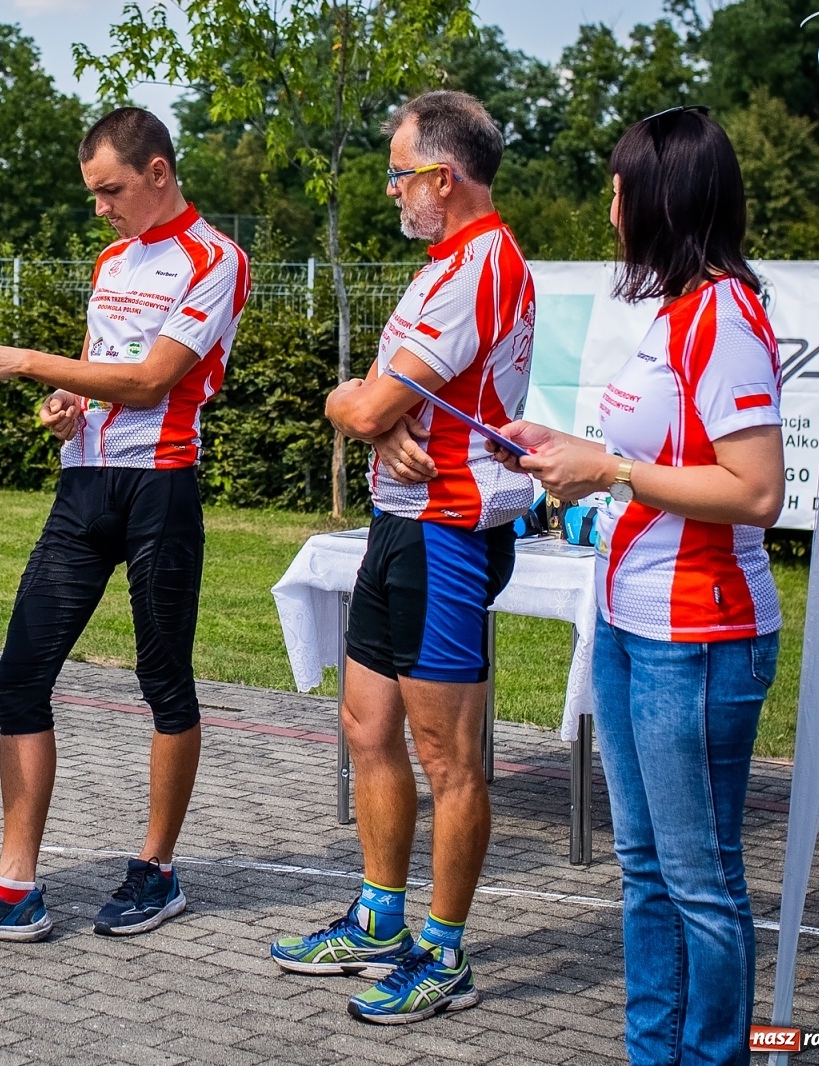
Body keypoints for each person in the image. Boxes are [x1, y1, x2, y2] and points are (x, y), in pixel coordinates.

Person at [0, 107, 249, 942]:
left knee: (163, 679)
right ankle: (15, 888)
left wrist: (23, 362)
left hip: (160, 487)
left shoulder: (217, 259)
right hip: (84, 486)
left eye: (111, 191)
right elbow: (104, 375)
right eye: (92, 193)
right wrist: (67, 402)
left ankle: (156, 871)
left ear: (158, 173)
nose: (100, 208)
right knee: (17, 675)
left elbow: (152, 380)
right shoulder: (110, 259)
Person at [488, 107, 784, 1065]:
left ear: (662, 197)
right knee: (645, 870)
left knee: (700, 882)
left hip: (698, 637)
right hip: (630, 621)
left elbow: (755, 490)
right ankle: (652, 1051)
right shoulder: (675, 314)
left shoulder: (726, 316)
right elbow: (659, 456)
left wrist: (608, 472)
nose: (610, 209)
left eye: (619, 188)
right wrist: (574, 453)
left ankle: (712, 1055)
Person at [269, 90, 535, 1024]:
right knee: (365, 724)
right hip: (400, 521)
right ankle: (380, 918)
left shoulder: (476, 268)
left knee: (448, 758)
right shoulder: (445, 263)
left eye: (398, 173)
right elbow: (382, 408)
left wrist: (361, 412)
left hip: (448, 533)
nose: (391, 192)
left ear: (443, 176)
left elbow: (372, 407)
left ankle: (444, 953)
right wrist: (371, 415)